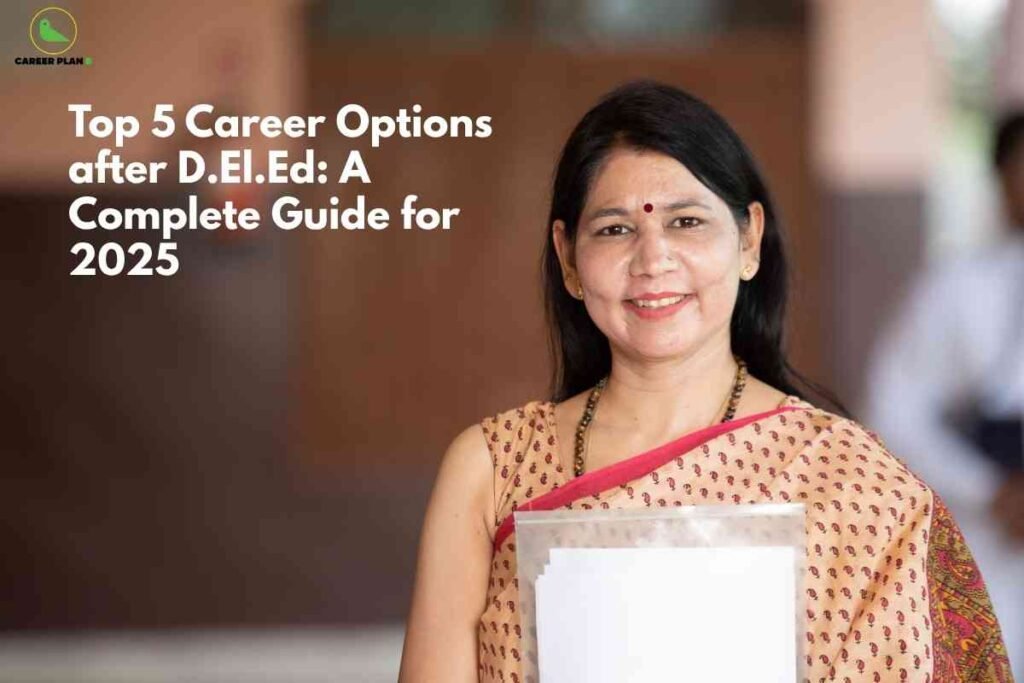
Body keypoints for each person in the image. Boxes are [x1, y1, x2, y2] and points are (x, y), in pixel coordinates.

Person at [398, 81, 1014, 682]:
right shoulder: (493, 469)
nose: (652, 259)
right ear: (568, 259)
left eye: (686, 222)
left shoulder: (857, 485)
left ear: (749, 239)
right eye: (615, 229)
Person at [865, 112, 1024, 675]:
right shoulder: (958, 287)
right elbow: (894, 408)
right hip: (992, 518)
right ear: (1000, 179)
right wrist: (990, 491)